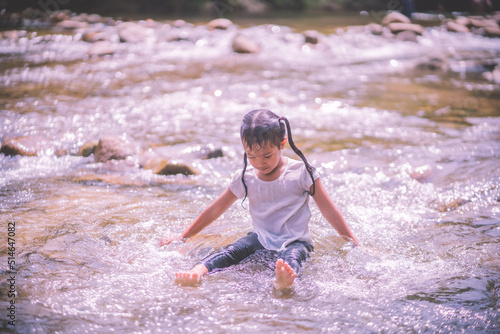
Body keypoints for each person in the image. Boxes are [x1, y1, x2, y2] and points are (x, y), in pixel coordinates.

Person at [160, 109, 359, 290]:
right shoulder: (245, 177)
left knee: (292, 258)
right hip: (260, 238)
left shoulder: (301, 173)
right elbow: (215, 210)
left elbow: (329, 211)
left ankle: (285, 280)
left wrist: (354, 244)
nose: (259, 163)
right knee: (233, 251)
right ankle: (198, 271)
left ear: (282, 143)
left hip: (295, 241)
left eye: (266, 155)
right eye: (251, 156)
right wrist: (183, 236)